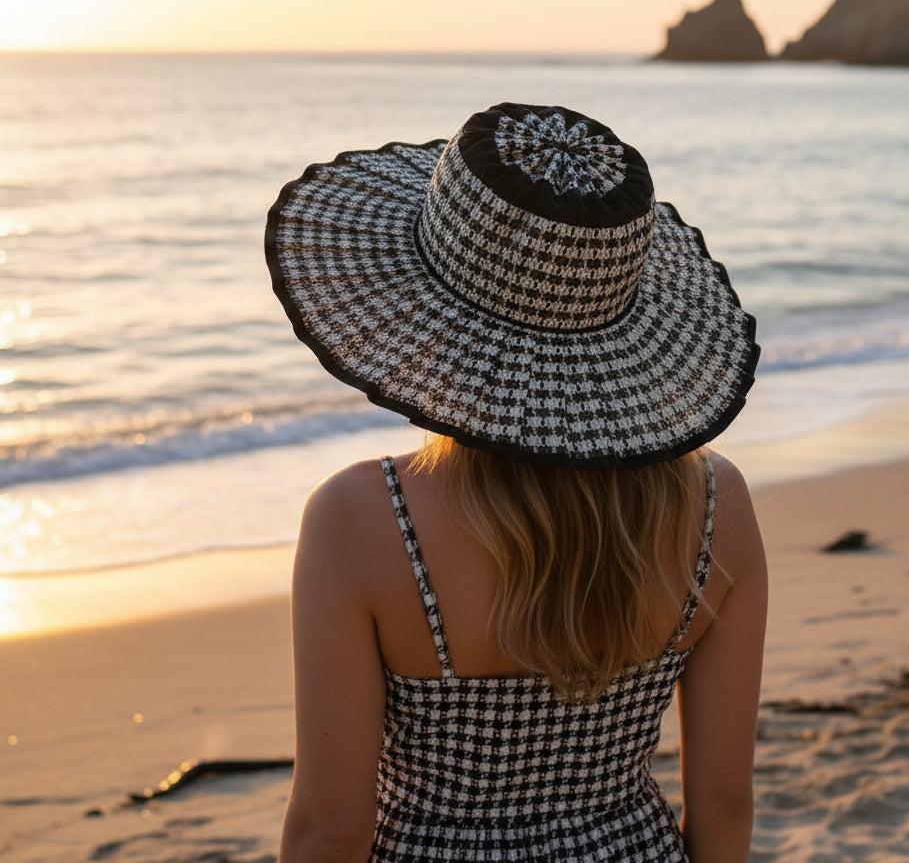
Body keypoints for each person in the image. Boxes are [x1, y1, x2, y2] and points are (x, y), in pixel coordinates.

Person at [266, 103, 766, 863]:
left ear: (420, 309)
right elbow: (725, 801)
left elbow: (330, 829)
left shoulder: (361, 520)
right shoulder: (717, 506)